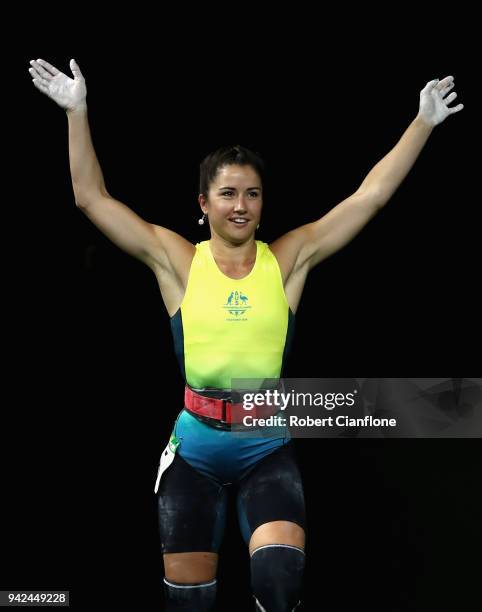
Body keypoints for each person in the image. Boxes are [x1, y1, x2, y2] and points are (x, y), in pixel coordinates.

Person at [29, 57, 463, 611]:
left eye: (252, 194)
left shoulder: (287, 259)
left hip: (265, 446)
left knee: (280, 583)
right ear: (204, 203)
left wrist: (422, 122)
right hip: (197, 449)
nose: (241, 205)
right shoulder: (178, 261)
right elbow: (92, 198)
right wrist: (77, 112)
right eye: (229, 194)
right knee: (190, 600)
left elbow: (368, 198)